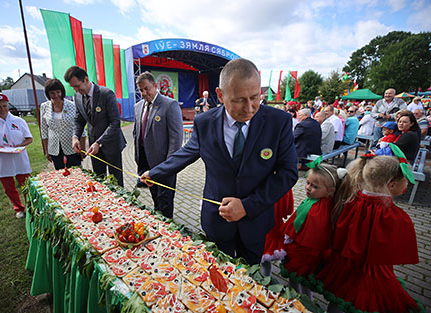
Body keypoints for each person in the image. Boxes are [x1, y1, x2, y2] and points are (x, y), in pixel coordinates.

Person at [141, 58, 298, 265]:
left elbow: (288, 173)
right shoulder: (204, 122)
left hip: (256, 221)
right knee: (218, 273)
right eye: (239, 100)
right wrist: (156, 173)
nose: (249, 108)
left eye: (255, 97)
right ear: (221, 95)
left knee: (249, 279)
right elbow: (187, 153)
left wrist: (247, 206)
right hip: (217, 220)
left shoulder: (279, 122)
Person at [317, 150, 420, 313]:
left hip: (345, 262)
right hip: (371, 269)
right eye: (405, 181)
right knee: (362, 300)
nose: (407, 185)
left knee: (341, 296)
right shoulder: (390, 214)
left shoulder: (353, 198)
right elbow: (393, 247)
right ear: (391, 184)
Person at [281, 161, 343, 299]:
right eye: (307, 183)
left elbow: (310, 233)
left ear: (330, 191)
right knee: (300, 280)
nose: (308, 188)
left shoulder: (319, 209)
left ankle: (301, 301)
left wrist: (291, 237)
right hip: (303, 251)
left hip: (306, 253)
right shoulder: (317, 202)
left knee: (300, 279)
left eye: (315, 186)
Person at [64, 66, 126, 186]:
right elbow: (79, 119)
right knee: (99, 180)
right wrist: (75, 137)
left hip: (111, 145)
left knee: (116, 182)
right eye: (73, 87)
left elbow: (115, 123)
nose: (76, 90)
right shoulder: (77, 97)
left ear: (86, 79)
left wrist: (99, 142)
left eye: (77, 86)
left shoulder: (106, 94)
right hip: (94, 147)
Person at [133, 72, 183, 218]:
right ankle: (158, 223)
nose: (144, 93)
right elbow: (136, 133)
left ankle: (168, 231)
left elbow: (176, 139)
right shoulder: (138, 107)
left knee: (165, 201)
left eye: (147, 88)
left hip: (164, 164)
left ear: (156, 86)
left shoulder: (169, 105)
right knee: (155, 197)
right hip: (145, 163)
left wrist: (169, 166)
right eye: (141, 90)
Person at [0, 93, 32, 218]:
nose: (2, 109)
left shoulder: (18, 121)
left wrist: (19, 146)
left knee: (26, 184)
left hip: (19, 157)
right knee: (8, 187)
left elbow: (29, 138)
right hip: (1, 158)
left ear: (8, 105)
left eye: (4, 106)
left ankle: (30, 206)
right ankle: (18, 208)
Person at [40, 79, 84, 170]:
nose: (56, 95)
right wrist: (46, 150)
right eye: (52, 93)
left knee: (76, 173)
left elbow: (81, 128)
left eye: (58, 92)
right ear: (48, 94)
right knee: (59, 175)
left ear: (62, 92)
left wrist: (82, 148)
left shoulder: (72, 105)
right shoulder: (44, 107)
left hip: (72, 145)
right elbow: (44, 130)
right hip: (54, 147)